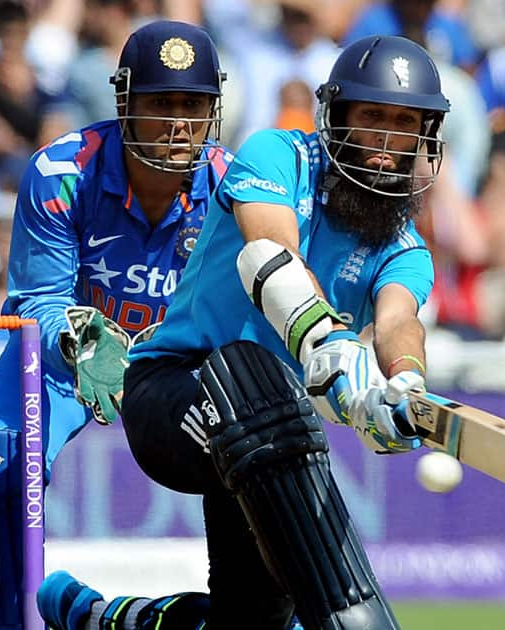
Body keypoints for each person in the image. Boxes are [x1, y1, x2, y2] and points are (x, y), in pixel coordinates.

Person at [39, 34, 449, 629]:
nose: (386, 143)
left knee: (252, 622)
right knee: (259, 380)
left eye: (404, 124)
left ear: (425, 138)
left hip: (272, 440)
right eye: (373, 118)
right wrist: (332, 347)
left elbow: (398, 320)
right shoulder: (278, 156)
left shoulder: (405, 250)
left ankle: (111, 618)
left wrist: (404, 385)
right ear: (335, 118)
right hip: (173, 391)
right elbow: (268, 253)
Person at [0, 19, 231, 630]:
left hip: (185, 366)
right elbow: (34, 302)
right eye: (160, 104)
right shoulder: (63, 173)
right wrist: (79, 336)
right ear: (124, 103)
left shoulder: (234, 187)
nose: (179, 123)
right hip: (70, 363)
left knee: (271, 455)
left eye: (193, 105)